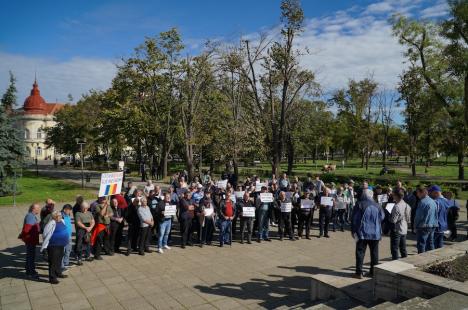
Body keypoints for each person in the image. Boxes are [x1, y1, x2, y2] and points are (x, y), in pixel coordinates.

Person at [351, 189, 385, 279]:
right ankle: (373, 272)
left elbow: (355, 219)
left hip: (362, 233)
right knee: (374, 253)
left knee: (360, 252)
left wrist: (353, 231)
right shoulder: (377, 205)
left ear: (364, 195)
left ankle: (359, 273)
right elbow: (382, 217)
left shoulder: (359, 204)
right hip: (376, 233)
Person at [41, 211, 69, 284]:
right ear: (54, 217)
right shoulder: (51, 223)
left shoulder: (62, 221)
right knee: (53, 261)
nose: (59, 217)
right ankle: (52, 278)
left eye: (60, 215)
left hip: (61, 244)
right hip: (53, 245)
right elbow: (45, 234)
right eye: (58, 216)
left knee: (59, 260)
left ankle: (58, 273)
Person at [414, 186, 438, 253]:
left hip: (423, 226)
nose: (417, 194)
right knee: (430, 244)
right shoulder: (433, 201)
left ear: (422, 193)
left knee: (421, 244)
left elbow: (418, 216)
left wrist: (415, 226)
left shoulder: (422, 202)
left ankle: (421, 261)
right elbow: (436, 214)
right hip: (433, 225)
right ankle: (432, 259)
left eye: (417, 193)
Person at [20, 203, 41, 279]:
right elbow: (27, 229)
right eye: (38, 208)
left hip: (31, 239)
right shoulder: (30, 217)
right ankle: (31, 272)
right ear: (33, 209)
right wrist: (24, 237)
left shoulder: (31, 216)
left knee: (29, 255)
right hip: (30, 240)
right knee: (31, 256)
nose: (39, 209)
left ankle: (28, 270)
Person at [389, 189, 411, 260]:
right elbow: (408, 219)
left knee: (394, 248)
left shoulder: (396, 206)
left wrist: (389, 215)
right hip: (404, 228)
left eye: (393, 194)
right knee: (403, 248)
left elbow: (393, 220)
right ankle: (405, 261)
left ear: (396, 196)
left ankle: (395, 263)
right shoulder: (407, 205)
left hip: (397, 229)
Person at [428, 185, 450, 249]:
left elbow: (433, 215)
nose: (429, 194)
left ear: (436, 192)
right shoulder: (446, 200)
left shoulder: (436, 202)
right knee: (440, 244)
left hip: (436, 227)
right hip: (444, 226)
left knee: (432, 245)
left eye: (430, 192)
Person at [61, 204, 73, 272]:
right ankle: (61, 266)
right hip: (63, 237)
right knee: (62, 251)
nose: (70, 212)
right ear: (65, 209)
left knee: (68, 250)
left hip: (69, 236)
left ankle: (66, 263)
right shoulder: (61, 216)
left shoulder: (67, 215)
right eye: (69, 210)